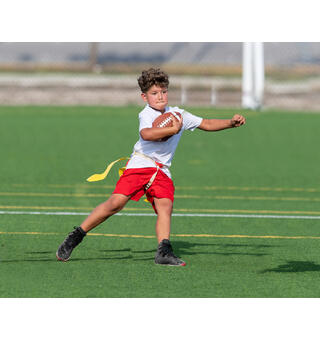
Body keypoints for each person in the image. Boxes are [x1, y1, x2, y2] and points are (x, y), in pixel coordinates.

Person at [56, 68, 246, 266]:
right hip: (141, 163)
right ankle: (76, 236)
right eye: (154, 93)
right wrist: (172, 129)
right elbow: (147, 134)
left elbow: (206, 123)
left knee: (165, 206)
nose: (160, 96)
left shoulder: (178, 114)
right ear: (144, 97)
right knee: (116, 204)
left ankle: (163, 251)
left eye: (163, 91)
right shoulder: (146, 114)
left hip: (161, 170)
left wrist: (230, 123)